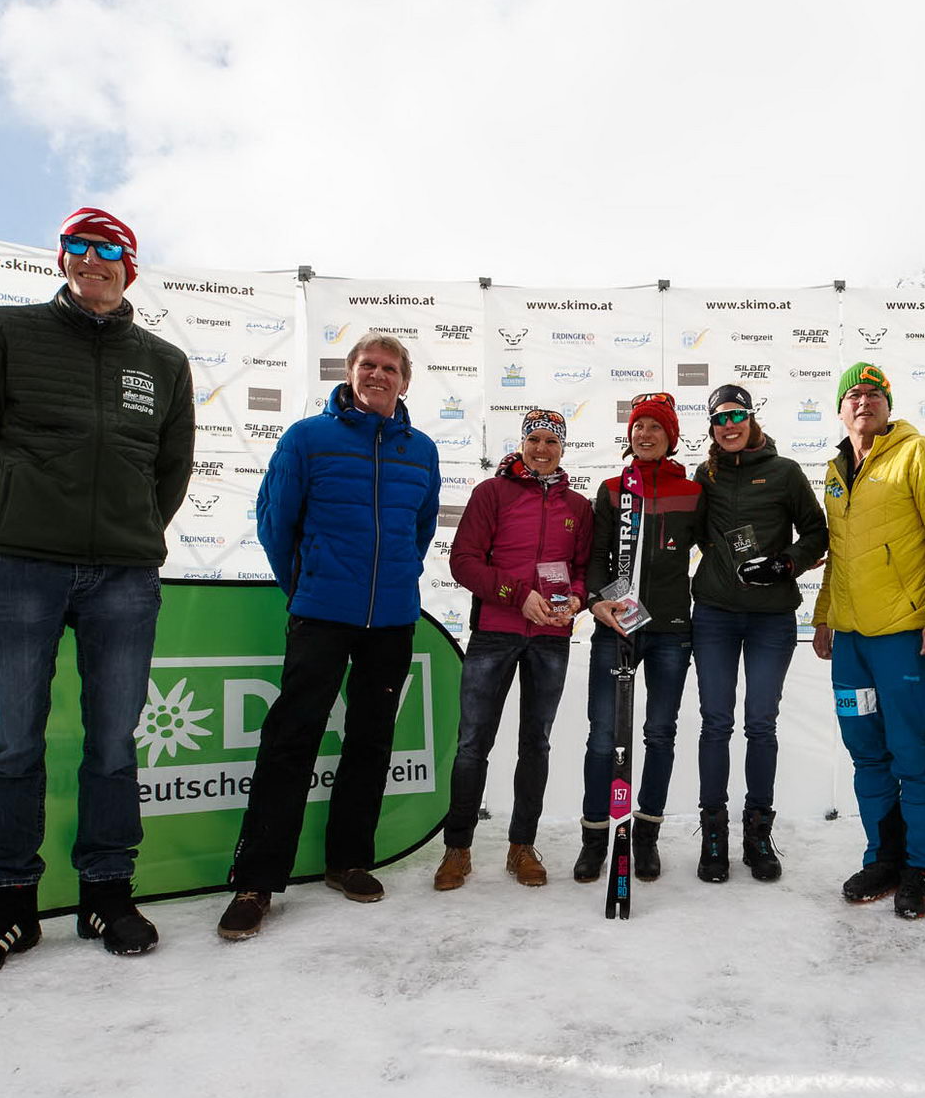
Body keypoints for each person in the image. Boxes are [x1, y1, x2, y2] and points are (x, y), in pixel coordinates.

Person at [0, 207, 194, 986]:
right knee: (13, 738)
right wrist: (0, 524)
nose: (92, 260)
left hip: (124, 574)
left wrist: (133, 530)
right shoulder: (5, 331)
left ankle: (106, 894)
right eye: (78, 247)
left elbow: (170, 472)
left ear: (130, 267)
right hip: (22, 567)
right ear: (62, 259)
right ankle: (6, 905)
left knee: (115, 740)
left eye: (108, 250)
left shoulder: (165, 361)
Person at [214, 332, 441, 940]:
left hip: (392, 619)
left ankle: (348, 860)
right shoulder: (307, 438)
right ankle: (256, 880)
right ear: (349, 372)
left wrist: (392, 581)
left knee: (371, 739)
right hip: (321, 613)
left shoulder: (421, 450)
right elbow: (273, 523)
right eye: (368, 365)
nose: (378, 374)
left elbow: (418, 535)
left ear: (405, 380)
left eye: (390, 368)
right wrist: (308, 586)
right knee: (292, 739)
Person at [812, 361, 925, 920]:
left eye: (875, 394)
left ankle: (921, 868)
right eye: (853, 394)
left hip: (904, 637)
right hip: (851, 642)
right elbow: (837, 557)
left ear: (888, 404)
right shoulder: (835, 470)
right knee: (865, 752)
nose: (864, 402)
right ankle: (883, 856)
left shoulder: (919, 453)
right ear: (840, 407)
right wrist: (824, 615)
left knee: (913, 754)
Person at [432, 409, 593, 889]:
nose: (542, 449)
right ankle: (457, 850)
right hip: (495, 633)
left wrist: (578, 601)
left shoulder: (578, 506)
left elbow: (583, 569)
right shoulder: (491, 493)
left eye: (551, 441)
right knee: (472, 744)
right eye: (534, 440)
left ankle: (522, 846)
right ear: (521, 444)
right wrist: (516, 595)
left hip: (550, 638)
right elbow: (463, 562)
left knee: (535, 744)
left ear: (563, 448)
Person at [690, 384, 827, 882]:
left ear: (751, 420)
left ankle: (757, 834)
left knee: (761, 723)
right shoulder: (702, 477)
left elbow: (818, 532)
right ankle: (713, 835)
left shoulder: (785, 472)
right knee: (715, 723)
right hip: (714, 616)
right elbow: (677, 536)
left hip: (771, 617)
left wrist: (788, 562)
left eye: (737, 415)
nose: (729, 425)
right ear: (711, 427)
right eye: (720, 418)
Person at [574, 393, 703, 884]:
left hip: (671, 631)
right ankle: (595, 839)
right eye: (637, 427)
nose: (644, 435)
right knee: (603, 737)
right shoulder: (611, 490)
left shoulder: (692, 491)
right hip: (614, 626)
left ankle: (645, 836)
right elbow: (595, 555)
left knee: (659, 734)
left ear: (670, 437)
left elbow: (716, 545)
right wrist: (595, 600)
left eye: (655, 427)